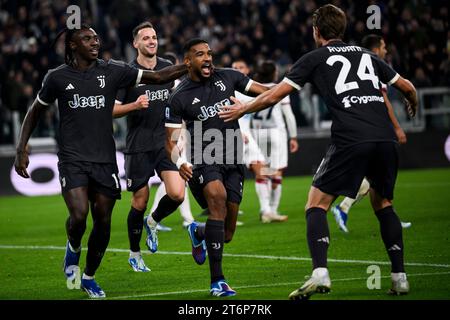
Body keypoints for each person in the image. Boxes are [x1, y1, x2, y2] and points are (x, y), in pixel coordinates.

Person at [219, 4, 418, 299]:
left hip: (351, 137)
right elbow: (406, 86)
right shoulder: (367, 55)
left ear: (316, 32)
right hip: (385, 138)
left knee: (316, 204)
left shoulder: (313, 58)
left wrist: (243, 108)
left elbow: (275, 94)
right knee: (383, 203)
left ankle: (320, 273)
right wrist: (412, 101)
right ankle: (399, 277)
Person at [14, 24, 187, 298]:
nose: (95, 42)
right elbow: (36, 110)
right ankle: (73, 247)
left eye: (96, 38)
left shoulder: (113, 70)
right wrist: (21, 147)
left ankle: (89, 277)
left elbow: (158, 76)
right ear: (73, 45)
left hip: (105, 160)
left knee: (103, 223)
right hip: (73, 159)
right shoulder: (57, 78)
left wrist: (187, 65)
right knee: (80, 215)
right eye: (87, 39)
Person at [165, 38, 270, 297]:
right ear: (188, 61)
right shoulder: (179, 97)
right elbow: (171, 140)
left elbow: (267, 91)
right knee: (218, 198)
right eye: (200, 54)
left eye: (209, 53)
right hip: (204, 160)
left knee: (227, 233)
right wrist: (180, 162)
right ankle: (218, 282)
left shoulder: (230, 77)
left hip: (234, 159)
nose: (208, 58)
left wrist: (290, 86)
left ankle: (198, 231)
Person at [113, 21, 192, 272]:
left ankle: (153, 221)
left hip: (165, 143)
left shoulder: (168, 69)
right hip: (138, 145)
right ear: (135, 43)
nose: (151, 41)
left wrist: (182, 132)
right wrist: (134, 106)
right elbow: (112, 110)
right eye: (145, 37)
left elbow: (179, 103)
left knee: (178, 194)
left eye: (154, 37)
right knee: (140, 199)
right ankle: (135, 253)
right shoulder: (128, 73)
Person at [331, 34, 412, 233]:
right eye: (383, 46)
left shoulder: (359, 63)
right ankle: (380, 215)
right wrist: (397, 127)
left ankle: (345, 209)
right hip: (376, 132)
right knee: (375, 178)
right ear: (376, 48)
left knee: (369, 180)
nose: (386, 50)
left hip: (359, 131)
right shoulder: (372, 65)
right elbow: (384, 100)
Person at [250, 60, 299, 222]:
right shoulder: (279, 88)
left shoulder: (252, 87)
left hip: (257, 134)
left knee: (263, 171)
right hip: (276, 134)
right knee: (276, 172)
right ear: (274, 73)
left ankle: (265, 210)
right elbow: (289, 115)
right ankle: (272, 209)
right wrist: (293, 137)